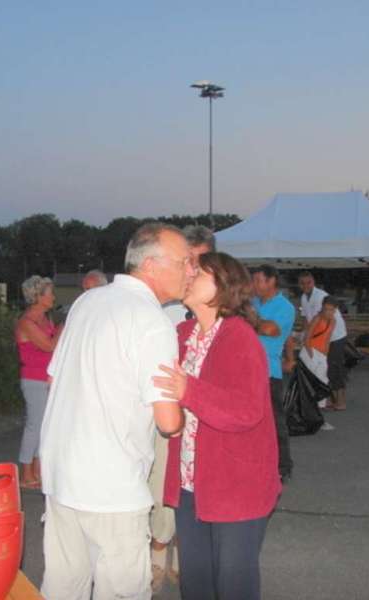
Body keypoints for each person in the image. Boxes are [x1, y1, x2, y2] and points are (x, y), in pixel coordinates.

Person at [38, 222, 194, 600]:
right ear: (153, 265)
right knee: (122, 591)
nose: (191, 271)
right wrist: (189, 412)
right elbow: (168, 422)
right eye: (184, 261)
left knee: (62, 587)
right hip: (112, 488)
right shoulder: (154, 323)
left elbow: (54, 380)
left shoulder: (87, 302)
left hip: (61, 476)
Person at [154, 252, 281, 600]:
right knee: (195, 583)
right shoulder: (182, 334)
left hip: (236, 486)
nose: (189, 274)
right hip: (191, 482)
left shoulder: (239, 338)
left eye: (200, 271)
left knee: (232, 585)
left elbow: (247, 411)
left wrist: (188, 390)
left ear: (223, 287)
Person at [151, 224, 216, 593]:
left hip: (204, 415)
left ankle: (175, 547)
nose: (193, 269)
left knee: (191, 493)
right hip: (168, 410)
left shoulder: (218, 307)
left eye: (201, 260)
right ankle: (159, 546)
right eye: (188, 260)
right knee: (163, 482)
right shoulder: (165, 306)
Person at [15, 275, 62, 489]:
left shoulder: (45, 319)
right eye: (49, 293)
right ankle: (25, 473)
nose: (53, 297)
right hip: (33, 380)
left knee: (44, 426)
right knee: (35, 426)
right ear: (38, 296)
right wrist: (64, 327)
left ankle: (37, 470)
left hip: (46, 378)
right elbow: (49, 346)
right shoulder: (27, 322)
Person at [251, 264, 295, 480]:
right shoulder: (253, 302)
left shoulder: (284, 307)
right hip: (247, 369)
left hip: (269, 371)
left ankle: (283, 466)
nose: (254, 285)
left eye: (258, 280)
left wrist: (246, 321)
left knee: (275, 421)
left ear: (271, 282)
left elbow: (271, 329)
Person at [298, 271, 349, 410]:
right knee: (323, 369)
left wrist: (306, 338)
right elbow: (305, 318)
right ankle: (329, 399)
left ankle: (341, 401)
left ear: (313, 282)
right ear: (299, 284)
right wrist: (304, 334)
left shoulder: (321, 296)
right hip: (321, 337)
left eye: (308, 282)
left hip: (335, 336)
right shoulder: (304, 297)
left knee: (334, 368)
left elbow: (319, 320)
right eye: (302, 283)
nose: (305, 285)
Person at [300, 296, 338, 385]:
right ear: (322, 307)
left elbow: (328, 338)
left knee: (323, 382)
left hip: (321, 355)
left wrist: (325, 354)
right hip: (311, 351)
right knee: (310, 383)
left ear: (335, 309)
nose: (328, 312)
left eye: (331, 309)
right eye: (325, 309)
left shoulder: (333, 321)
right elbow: (307, 337)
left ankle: (322, 399)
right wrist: (311, 355)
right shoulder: (317, 318)